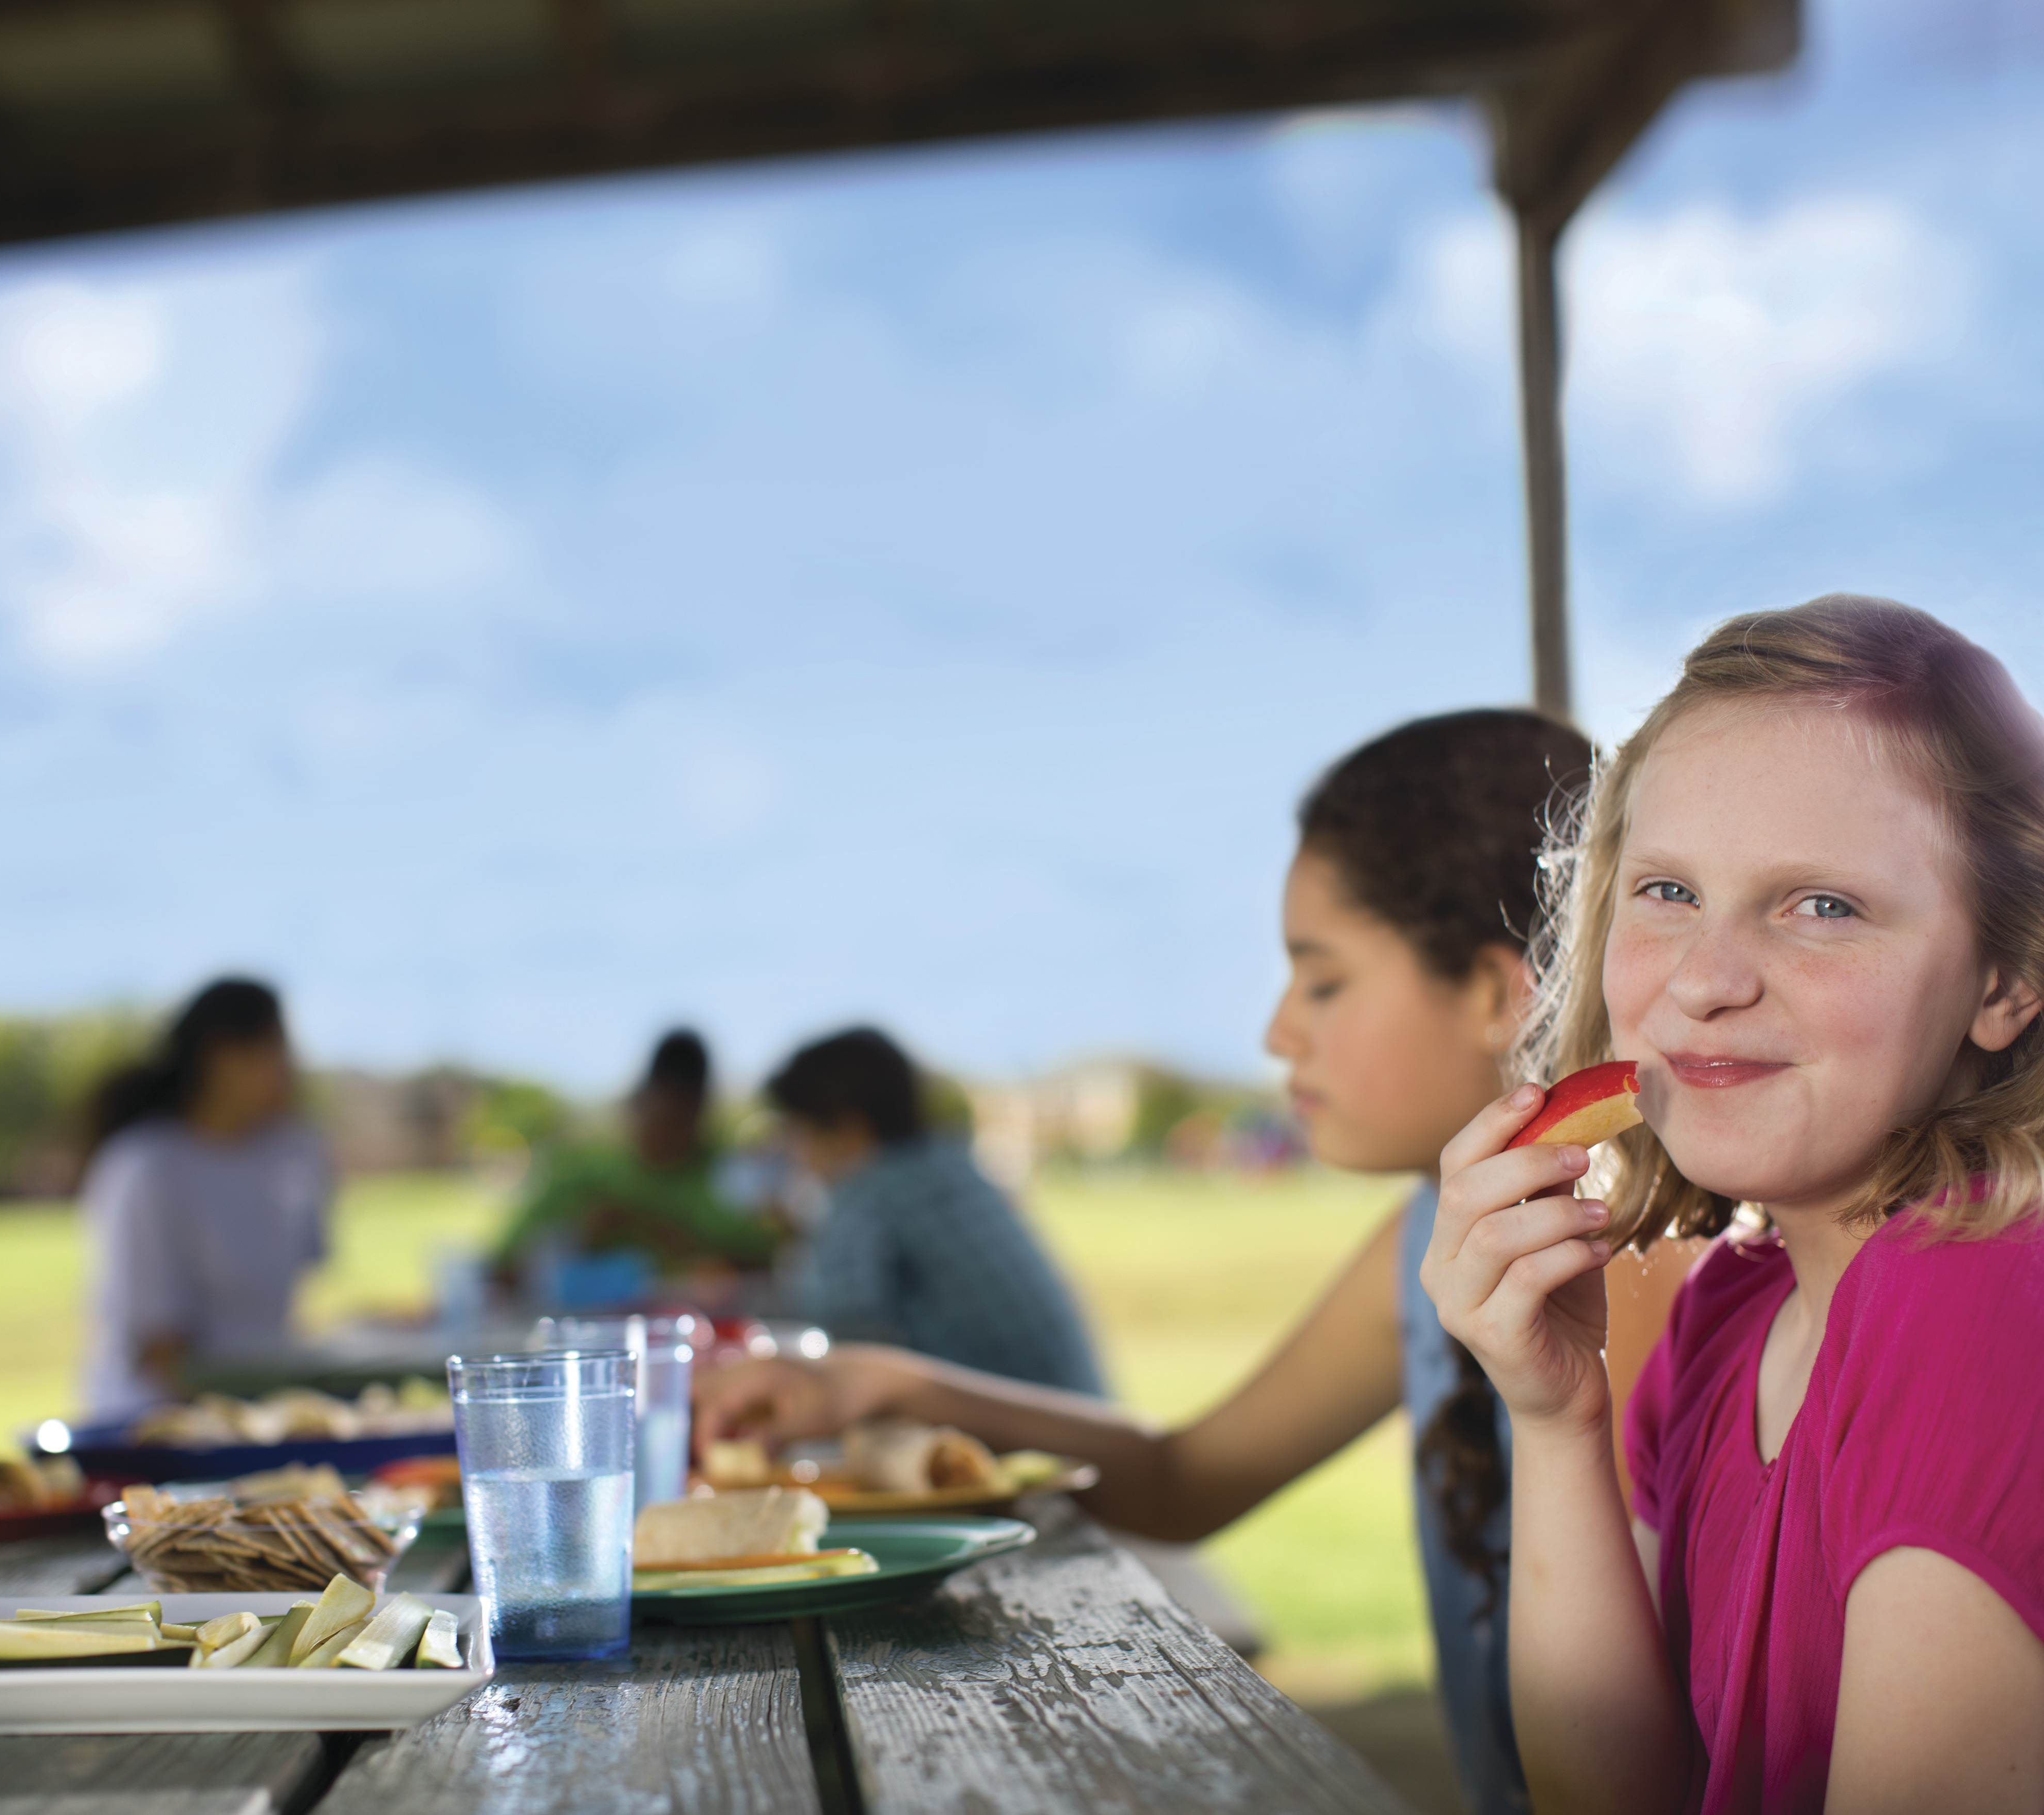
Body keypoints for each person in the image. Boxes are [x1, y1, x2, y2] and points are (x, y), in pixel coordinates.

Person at [696, 710, 1693, 1815]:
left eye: (1321, 980)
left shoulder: (1624, 1258)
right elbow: (1185, 1477)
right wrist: (895, 1382)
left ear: (1496, 992)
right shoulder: (1426, 1232)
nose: (1277, 1032)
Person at [1424, 595, 2044, 1814]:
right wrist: (1555, 1420)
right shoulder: (1733, 1311)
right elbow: (1613, 1795)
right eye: (1667, 892)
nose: (1706, 981)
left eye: (1824, 906)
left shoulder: (1983, 1295)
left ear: (2006, 979)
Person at [768, 1026, 1105, 1396]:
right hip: (1086, 1425)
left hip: (1016, 1441)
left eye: (795, 1131)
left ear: (850, 1130)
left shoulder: (867, 1194)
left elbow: (842, 1345)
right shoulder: (952, 1168)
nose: (790, 1151)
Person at [80, 978, 331, 1423]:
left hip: (261, 1415)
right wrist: (247, 1417)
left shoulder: (294, 1153)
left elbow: (286, 1308)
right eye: (276, 1049)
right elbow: (159, 1350)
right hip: (156, 1425)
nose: (291, 1069)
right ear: (222, 1056)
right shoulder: (147, 1168)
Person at [487, 1029, 783, 1294]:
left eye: (681, 1121)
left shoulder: (726, 1175)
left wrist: (689, 1248)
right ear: (637, 1103)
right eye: (660, 1118)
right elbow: (499, 1271)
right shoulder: (580, 1170)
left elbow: (773, 1267)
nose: (667, 1135)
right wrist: (576, 1238)